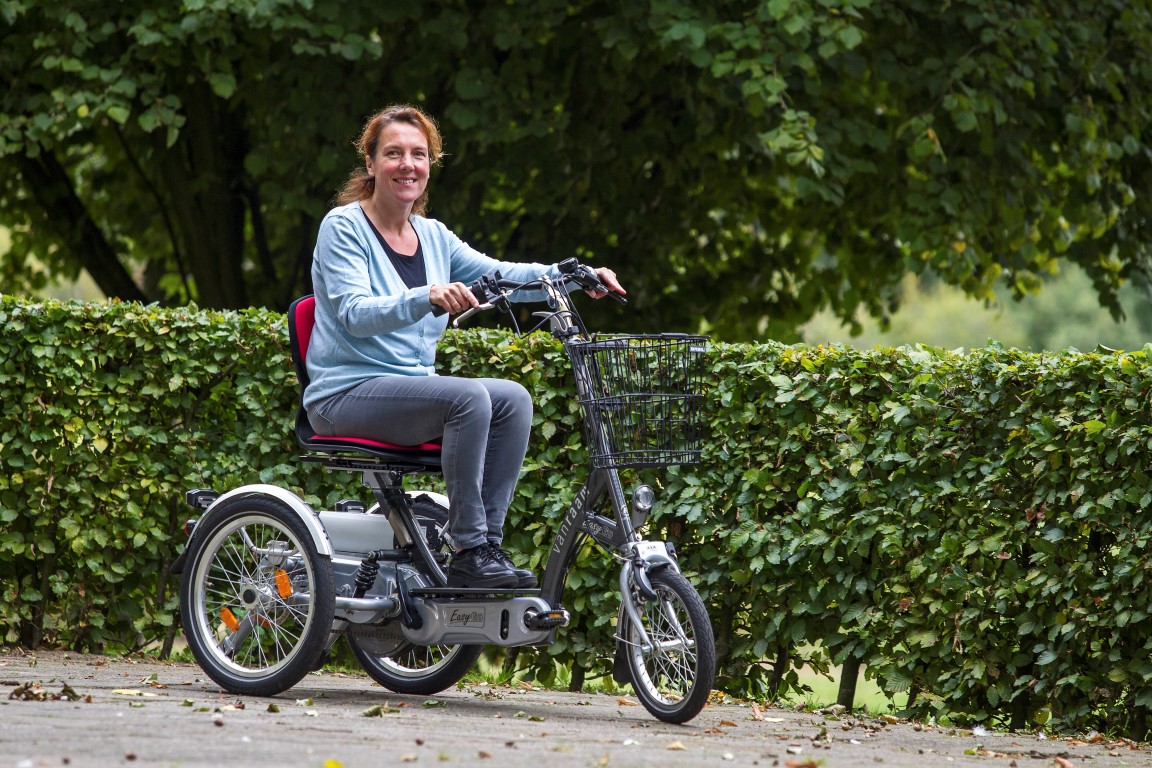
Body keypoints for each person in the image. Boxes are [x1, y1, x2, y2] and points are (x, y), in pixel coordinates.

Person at [303, 104, 625, 589]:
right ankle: (469, 546)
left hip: (407, 392)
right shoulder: (343, 227)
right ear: (370, 164)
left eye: (418, 154)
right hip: (343, 395)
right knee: (468, 397)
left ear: (431, 164)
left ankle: (485, 549)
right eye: (393, 153)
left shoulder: (432, 237)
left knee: (512, 398)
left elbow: (502, 274)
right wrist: (425, 296)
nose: (407, 164)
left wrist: (574, 276)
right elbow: (354, 311)